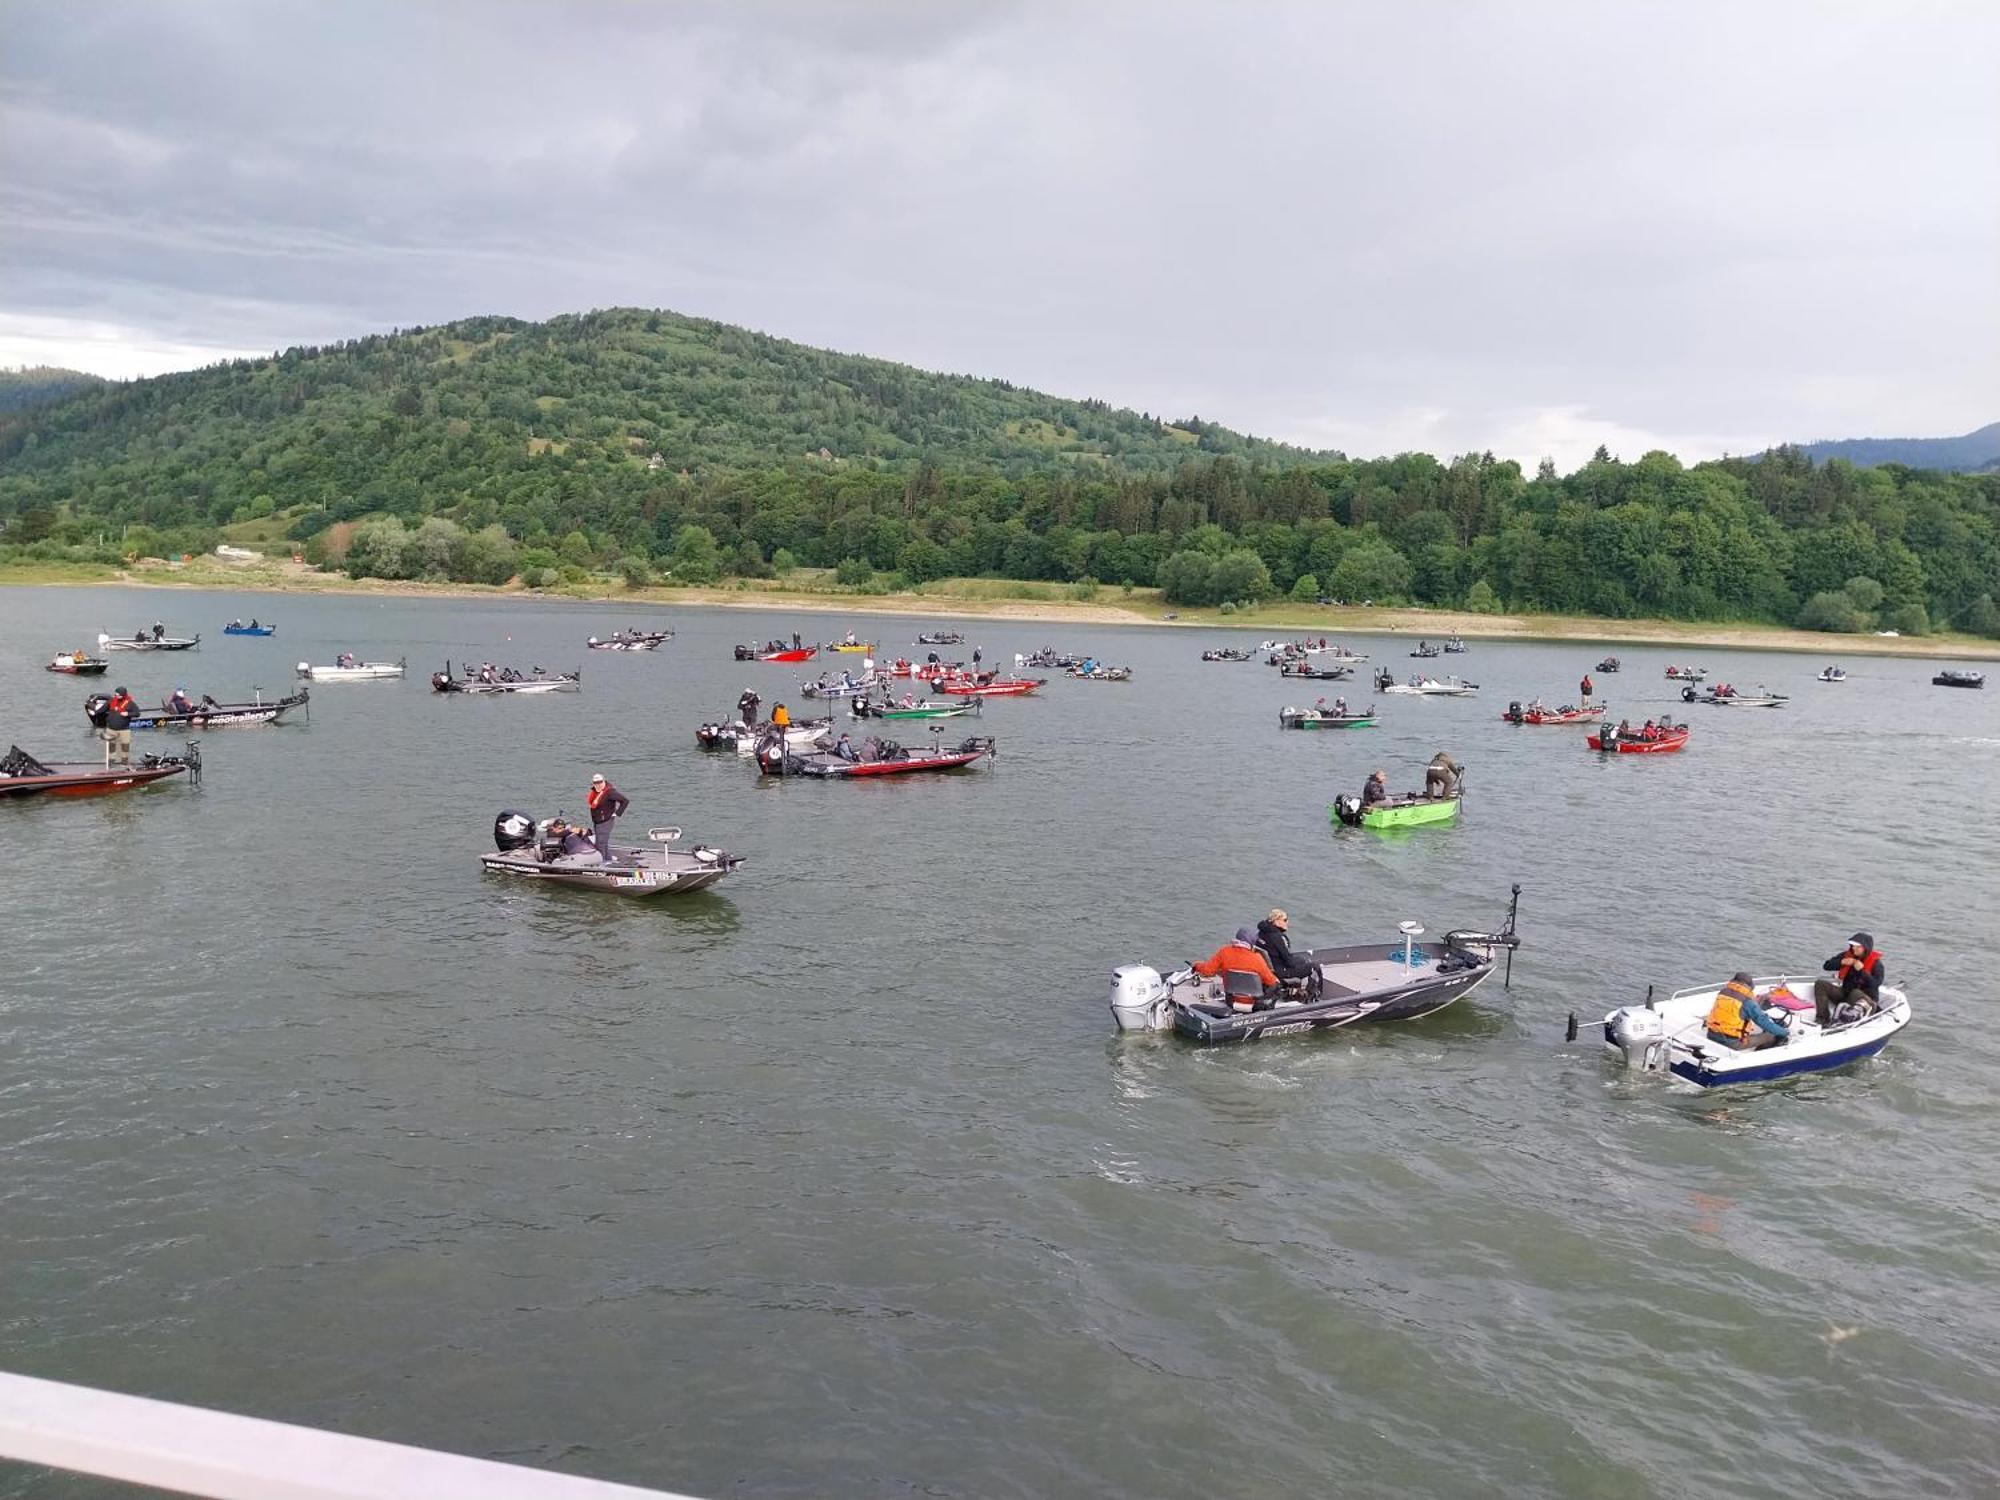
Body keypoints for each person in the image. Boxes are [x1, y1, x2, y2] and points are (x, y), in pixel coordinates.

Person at [1193, 928, 1279, 1011]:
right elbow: (1272, 982)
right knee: (1275, 984)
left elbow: (1208, 970)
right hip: (1253, 1004)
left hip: (1231, 1001)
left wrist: (1196, 965)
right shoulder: (1257, 958)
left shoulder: (1224, 951)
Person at [1706, 972, 1788, 1050]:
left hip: (1711, 1035)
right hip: (1731, 1043)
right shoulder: (1747, 1001)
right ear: (1750, 986)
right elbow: (1764, 1022)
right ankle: (1759, 1056)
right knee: (1770, 1036)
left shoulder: (1723, 993)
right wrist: (1784, 1032)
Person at [1814, 933, 1884, 1024]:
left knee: (1855, 992)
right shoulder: (1847, 955)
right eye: (1853, 946)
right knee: (1821, 984)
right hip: (1846, 994)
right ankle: (1823, 1019)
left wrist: (1862, 971)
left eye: (1858, 947)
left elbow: (1875, 984)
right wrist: (1841, 962)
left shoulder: (1877, 964)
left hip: (1865, 1001)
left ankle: (1841, 1020)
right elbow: (1827, 966)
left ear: (1865, 948)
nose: (1854, 948)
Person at [1256, 909, 1314, 982]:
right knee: (1313, 966)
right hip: (1279, 971)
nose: (1287, 922)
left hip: (1266, 967)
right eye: (1285, 920)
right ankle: (1314, 992)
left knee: (1301, 959)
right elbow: (1288, 961)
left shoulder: (1260, 933)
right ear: (1276, 921)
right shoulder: (1278, 937)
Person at [586, 773, 628, 863]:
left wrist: (617, 813)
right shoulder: (595, 792)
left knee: (600, 844)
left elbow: (625, 801)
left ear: (604, 781)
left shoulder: (610, 792)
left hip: (606, 821)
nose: (598, 784)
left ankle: (601, 864)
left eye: (600, 782)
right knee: (603, 843)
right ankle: (609, 861)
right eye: (596, 783)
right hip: (597, 822)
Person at [102, 686, 136, 765]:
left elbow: (137, 713)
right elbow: (102, 709)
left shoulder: (130, 703)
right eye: (116, 694)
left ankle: (124, 762)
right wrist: (95, 711)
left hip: (124, 729)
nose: (116, 696)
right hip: (111, 729)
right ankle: (111, 761)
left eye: (118, 695)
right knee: (111, 746)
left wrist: (128, 713)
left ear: (123, 695)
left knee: (125, 746)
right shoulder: (111, 701)